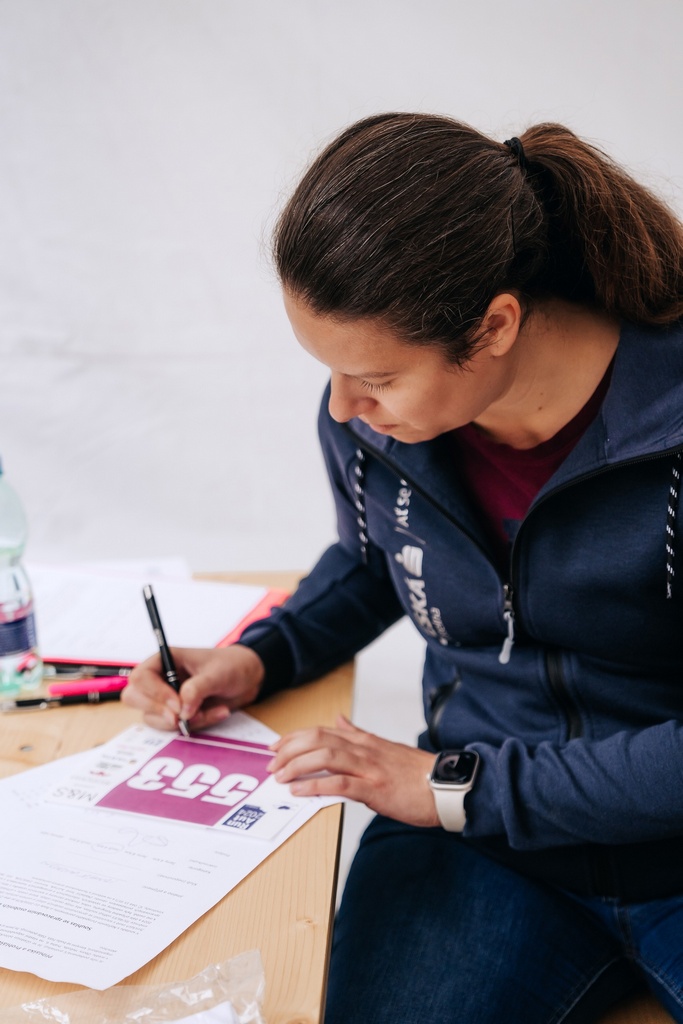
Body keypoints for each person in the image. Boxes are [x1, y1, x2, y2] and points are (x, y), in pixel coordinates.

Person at [123, 113, 683, 1023]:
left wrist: (449, 786)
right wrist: (263, 654)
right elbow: (374, 559)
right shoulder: (378, 429)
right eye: (331, 373)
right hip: (483, 849)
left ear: (494, 324)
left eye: (377, 378)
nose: (345, 407)